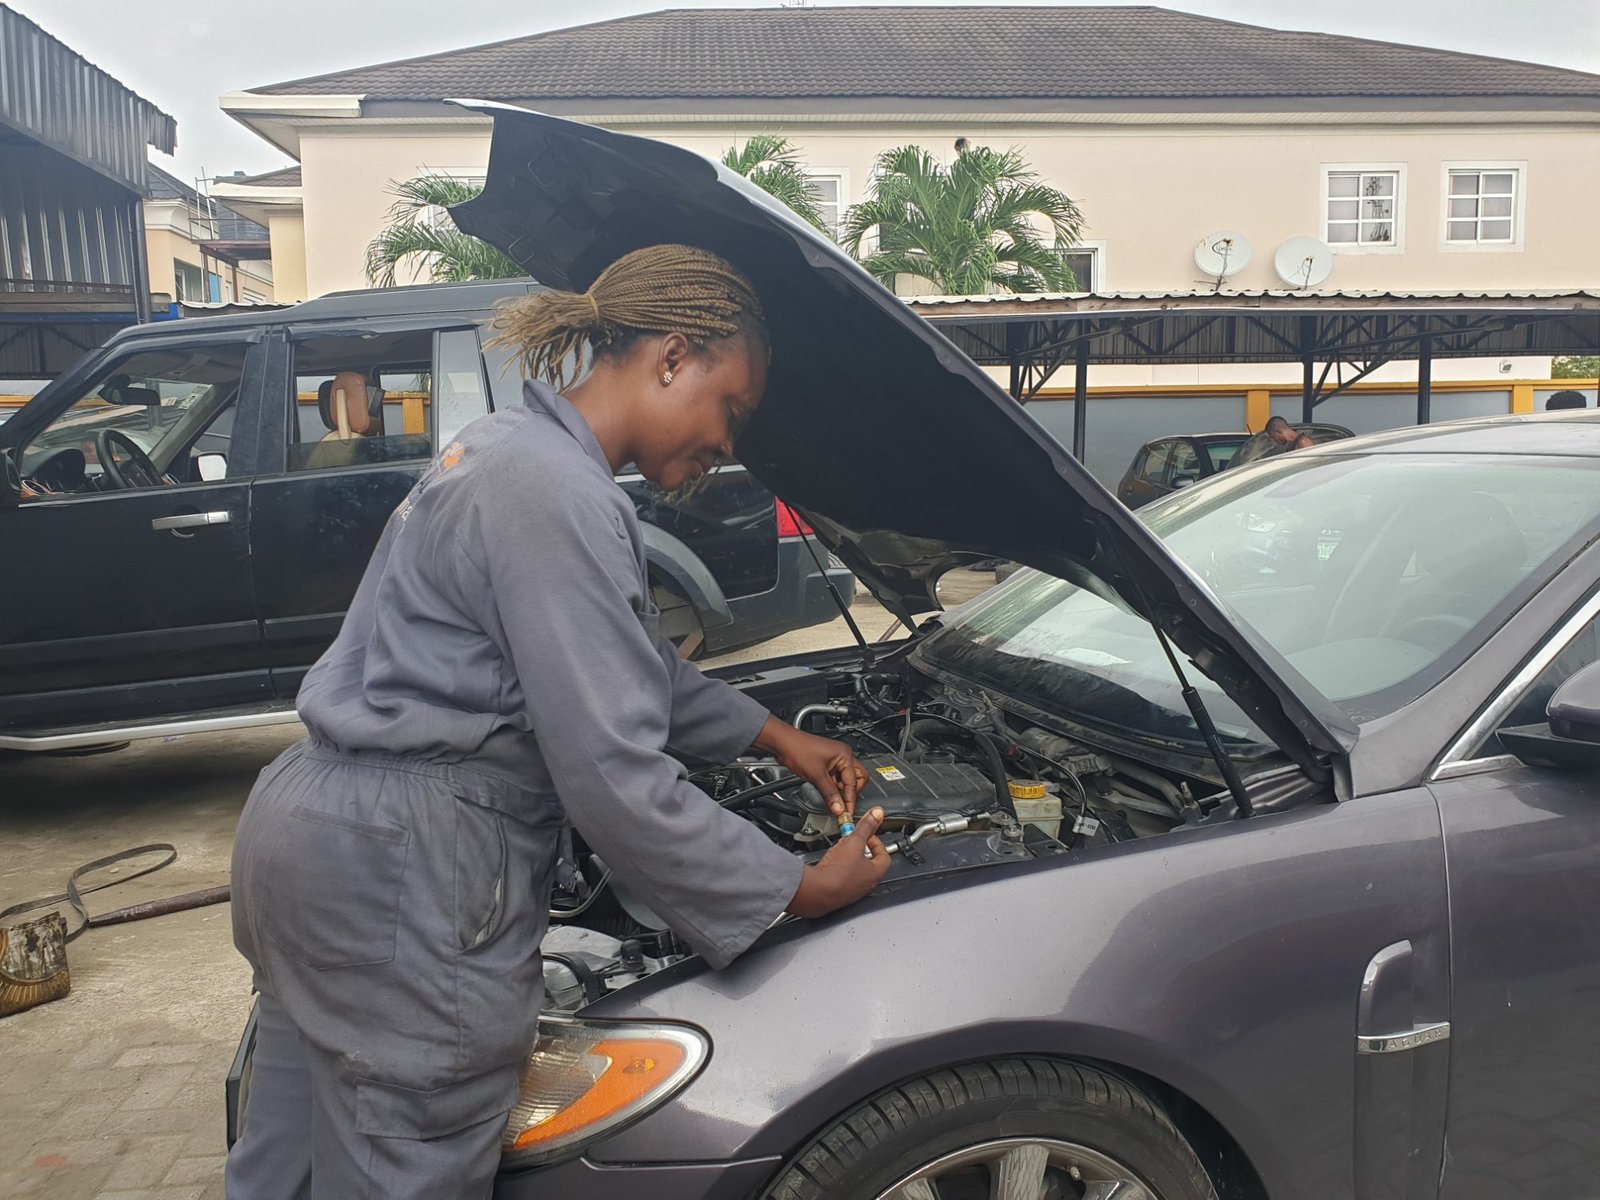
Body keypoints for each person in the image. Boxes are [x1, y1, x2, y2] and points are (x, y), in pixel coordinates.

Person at [226, 244, 891, 1200]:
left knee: (283, 1164)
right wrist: (795, 886)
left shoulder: (511, 449)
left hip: (317, 842)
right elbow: (612, 773)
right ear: (672, 356)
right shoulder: (555, 491)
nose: (728, 443)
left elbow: (622, 659)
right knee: (404, 1167)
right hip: (403, 872)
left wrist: (771, 734)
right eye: (730, 407)